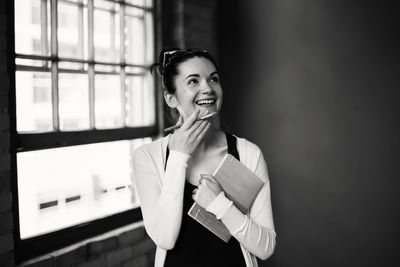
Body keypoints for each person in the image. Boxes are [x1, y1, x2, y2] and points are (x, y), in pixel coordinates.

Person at [132, 48, 276, 267]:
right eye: (193, 81)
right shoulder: (147, 157)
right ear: (171, 98)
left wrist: (220, 204)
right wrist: (179, 157)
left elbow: (265, 248)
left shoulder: (248, 153)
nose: (208, 88)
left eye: (214, 79)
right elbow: (164, 238)